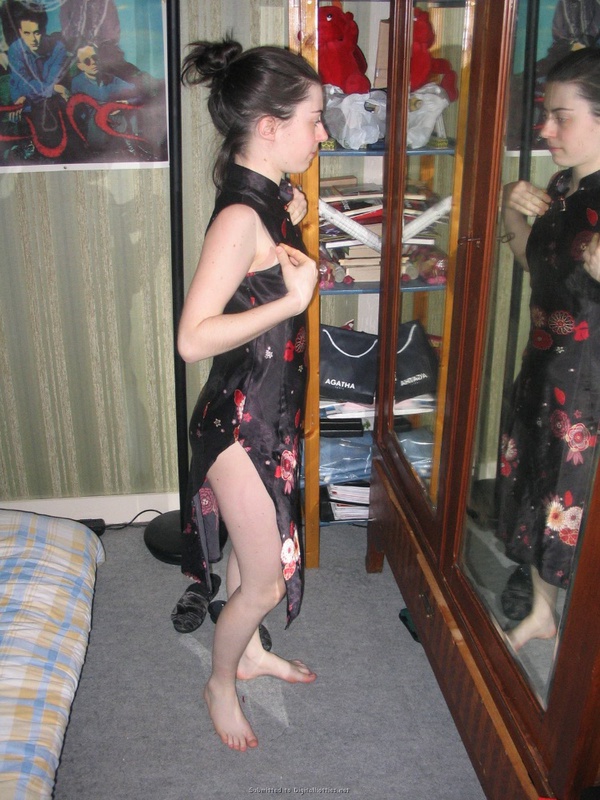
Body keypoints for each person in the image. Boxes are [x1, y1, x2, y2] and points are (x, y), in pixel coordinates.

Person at [172, 37, 328, 751]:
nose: (321, 135)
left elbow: (256, 266)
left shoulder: (263, 196)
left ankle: (252, 653)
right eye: (313, 120)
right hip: (239, 425)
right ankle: (219, 680)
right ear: (269, 126)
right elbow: (192, 339)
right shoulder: (241, 216)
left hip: (267, 414)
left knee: (248, 546)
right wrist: (291, 301)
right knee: (263, 582)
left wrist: (289, 208)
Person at [499, 47, 600, 652]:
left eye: (560, 117)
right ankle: (543, 612)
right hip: (544, 374)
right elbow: (531, 264)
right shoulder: (563, 188)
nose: (544, 130)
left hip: (591, 395)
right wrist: (514, 212)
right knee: (542, 498)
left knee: (576, 514)